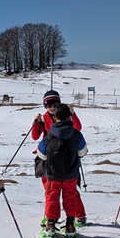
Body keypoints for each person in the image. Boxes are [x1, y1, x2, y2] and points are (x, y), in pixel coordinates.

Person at [31, 90, 87, 225]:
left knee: (70, 190)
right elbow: (35, 136)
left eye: (54, 104)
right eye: (48, 104)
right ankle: (52, 216)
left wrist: (73, 114)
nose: (51, 107)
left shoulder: (66, 115)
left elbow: (78, 127)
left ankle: (79, 215)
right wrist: (36, 123)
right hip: (50, 156)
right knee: (50, 190)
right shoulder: (44, 118)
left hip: (66, 153)